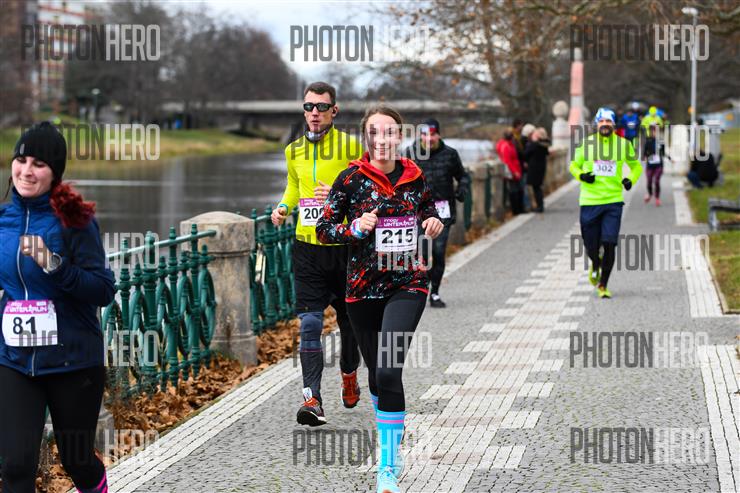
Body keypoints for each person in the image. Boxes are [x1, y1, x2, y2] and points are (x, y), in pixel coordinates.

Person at [316, 105, 443, 493]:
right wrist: (355, 227)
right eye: (375, 132)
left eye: (390, 132)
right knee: (376, 377)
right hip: (361, 290)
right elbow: (323, 229)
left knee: (388, 371)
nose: (383, 139)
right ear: (367, 137)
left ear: (400, 136)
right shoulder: (350, 179)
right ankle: (392, 426)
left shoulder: (414, 176)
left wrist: (432, 222)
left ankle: (387, 466)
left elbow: (429, 210)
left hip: (408, 284)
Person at [0, 122, 115, 493]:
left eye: (39, 164)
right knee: (16, 466)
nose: (26, 171)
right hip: (15, 359)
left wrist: (54, 264)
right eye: (21, 160)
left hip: (72, 360)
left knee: (76, 460)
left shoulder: (76, 221)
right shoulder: (3, 222)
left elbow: (103, 290)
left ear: (54, 173)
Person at [270, 81, 363, 426]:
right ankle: (313, 399)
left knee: (350, 324)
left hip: (344, 247)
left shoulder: (352, 147)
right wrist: (283, 207)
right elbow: (294, 186)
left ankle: (349, 373)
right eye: (308, 106)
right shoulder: (293, 150)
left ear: (334, 111)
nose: (314, 113)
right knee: (309, 323)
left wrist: (338, 195)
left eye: (321, 107)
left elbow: (365, 191)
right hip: (307, 247)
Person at [570, 108, 643, 299]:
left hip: (613, 201)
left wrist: (630, 180)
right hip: (590, 201)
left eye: (608, 122)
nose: (605, 125)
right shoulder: (586, 143)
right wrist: (582, 176)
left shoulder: (623, 144)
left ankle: (603, 285)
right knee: (591, 245)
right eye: (601, 121)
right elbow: (573, 165)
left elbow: (636, 167)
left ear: (613, 124)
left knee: (610, 244)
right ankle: (595, 263)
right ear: (596, 124)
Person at [403, 118, 470, 308]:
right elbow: (400, 180)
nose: (429, 138)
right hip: (419, 212)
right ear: (420, 135)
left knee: (439, 252)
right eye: (425, 134)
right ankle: (421, 290)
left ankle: (435, 292)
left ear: (438, 135)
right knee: (422, 253)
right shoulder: (410, 153)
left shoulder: (450, 154)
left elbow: (463, 176)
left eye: (433, 134)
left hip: (443, 210)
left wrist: (462, 189)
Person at [496, 129, 524, 215]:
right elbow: (507, 161)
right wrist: (514, 172)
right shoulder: (506, 146)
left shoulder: (510, 145)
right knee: (514, 191)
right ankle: (516, 210)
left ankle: (519, 209)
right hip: (513, 171)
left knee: (518, 190)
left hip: (516, 169)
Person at [524, 127, 550, 213]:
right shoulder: (544, 144)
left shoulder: (535, 145)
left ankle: (540, 206)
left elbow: (526, 153)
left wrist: (532, 142)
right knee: (538, 187)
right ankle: (540, 205)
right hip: (541, 167)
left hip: (534, 168)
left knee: (536, 188)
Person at [642, 124, 664, 206]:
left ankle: (657, 198)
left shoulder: (661, 141)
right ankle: (650, 194)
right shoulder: (648, 141)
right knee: (649, 181)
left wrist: (670, 159)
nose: (654, 132)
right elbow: (644, 152)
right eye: (653, 130)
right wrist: (644, 157)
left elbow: (664, 152)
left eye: (656, 130)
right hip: (650, 165)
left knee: (657, 181)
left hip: (659, 165)